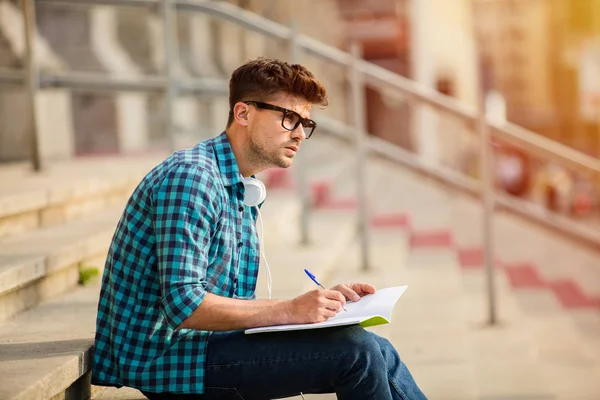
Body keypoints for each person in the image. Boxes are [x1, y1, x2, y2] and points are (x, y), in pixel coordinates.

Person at [91, 58, 427, 400]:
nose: (299, 133)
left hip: (208, 345)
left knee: (377, 348)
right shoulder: (192, 178)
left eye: (305, 123)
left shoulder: (240, 185)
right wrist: (290, 310)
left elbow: (232, 302)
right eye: (289, 118)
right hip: (168, 358)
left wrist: (326, 307)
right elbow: (184, 305)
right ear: (243, 114)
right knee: (357, 351)